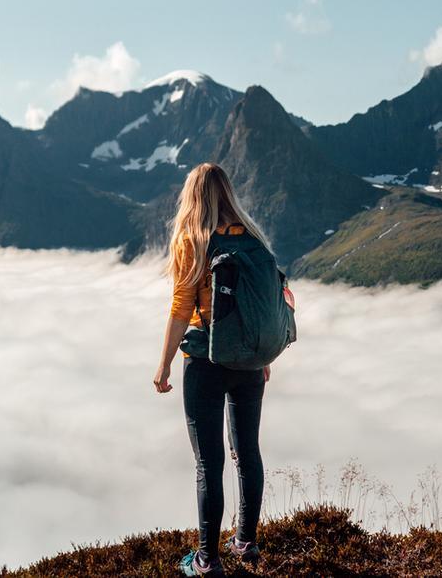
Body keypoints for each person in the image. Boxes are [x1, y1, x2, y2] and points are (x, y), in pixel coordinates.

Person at [154, 163, 272, 577]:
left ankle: (207, 560)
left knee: (209, 463)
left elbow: (181, 308)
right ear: (227, 193)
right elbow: (263, 304)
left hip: (205, 361)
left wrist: (164, 363)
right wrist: (264, 358)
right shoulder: (253, 236)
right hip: (251, 360)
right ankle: (247, 542)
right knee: (248, 453)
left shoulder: (193, 239)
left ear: (194, 196)